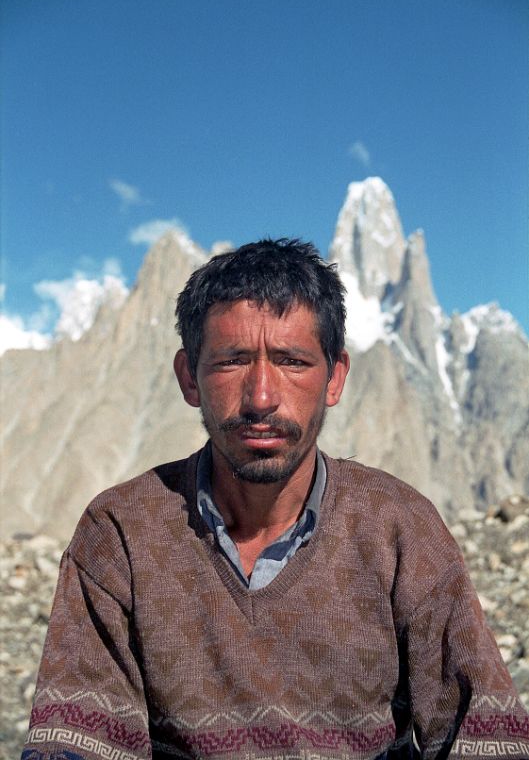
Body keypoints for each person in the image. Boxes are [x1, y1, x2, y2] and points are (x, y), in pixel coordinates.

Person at [22, 239, 528, 760]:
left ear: (334, 378)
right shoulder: (120, 533)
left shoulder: (400, 527)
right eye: (232, 361)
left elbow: (486, 735)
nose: (261, 397)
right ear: (189, 378)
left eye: (292, 361)